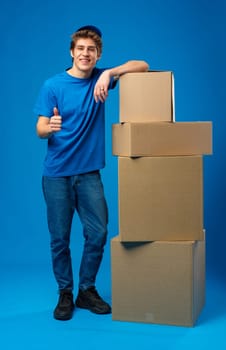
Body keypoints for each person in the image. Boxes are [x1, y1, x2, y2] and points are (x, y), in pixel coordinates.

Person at [34, 24, 149, 321]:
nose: (86, 54)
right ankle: (64, 293)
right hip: (57, 175)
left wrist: (111, 73)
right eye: (81, 49)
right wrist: (50, 128)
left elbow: (143, 65)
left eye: (92, 50)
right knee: (59, 238)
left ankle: (86, 290)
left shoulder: (101, 78)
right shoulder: (53, 85)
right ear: (72, 53)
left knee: (97, 233)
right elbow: (40, 127)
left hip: (89, 175)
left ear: (98, 56)